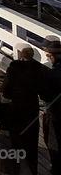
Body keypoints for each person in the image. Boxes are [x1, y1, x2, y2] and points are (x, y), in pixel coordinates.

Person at [0, 46, 42, 174]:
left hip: (16, 109)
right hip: (32, 109)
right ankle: (31, 169)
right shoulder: (39, 69)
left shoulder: (13, 68)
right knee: (31, 142)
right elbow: (42, 90)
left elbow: (5, 90)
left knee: (14, 142)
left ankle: (13, 169)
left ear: (20, 55)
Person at [42, 37, 61, 175]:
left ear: (50, 55)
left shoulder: (52, 73)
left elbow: (45, 95)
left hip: (55, 113)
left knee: (54, 141)